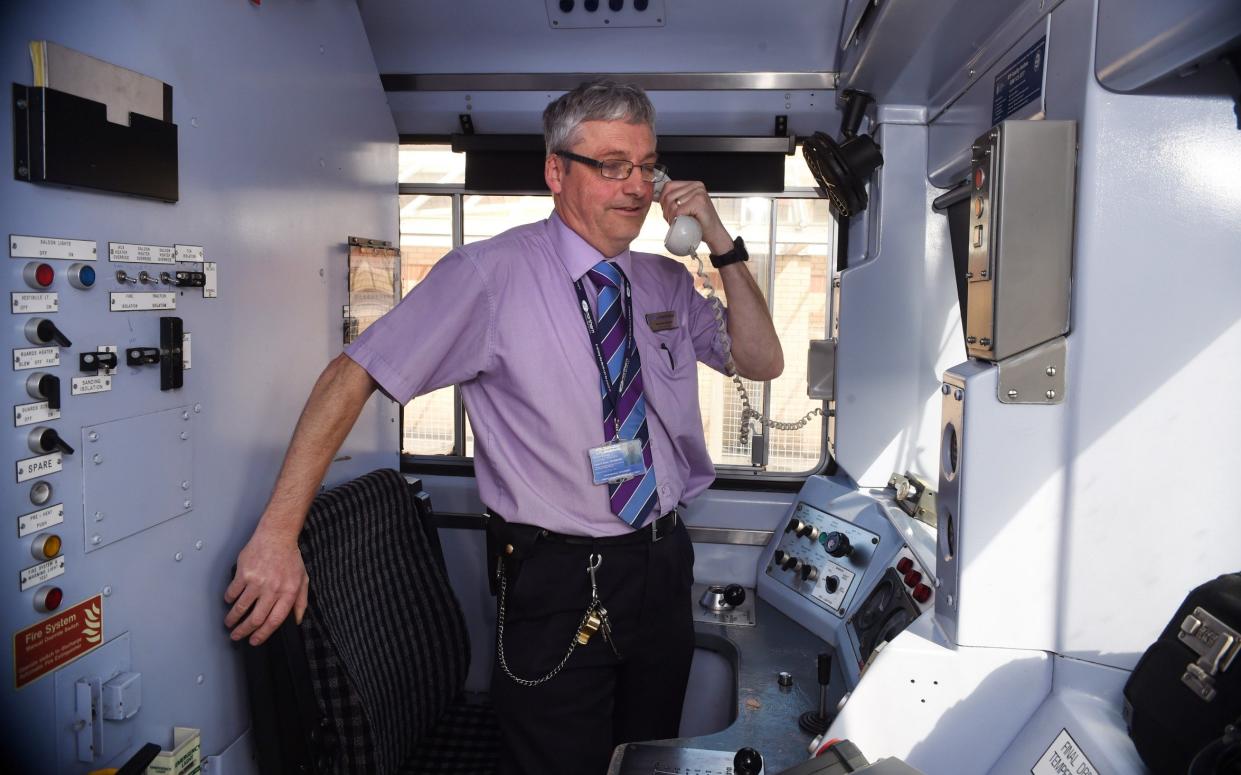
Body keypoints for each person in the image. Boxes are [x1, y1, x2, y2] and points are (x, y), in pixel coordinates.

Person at [224, 79, 783, 775]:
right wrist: (278, 533)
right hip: (556, 575)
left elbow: (761, 360)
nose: (636, 186)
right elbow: (352, 374)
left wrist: (722, 245)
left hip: (663, 561)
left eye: (647, 166)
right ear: (557, 171)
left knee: (645, 754)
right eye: (611, 164)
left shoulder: (664, 281)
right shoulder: (488, 274)